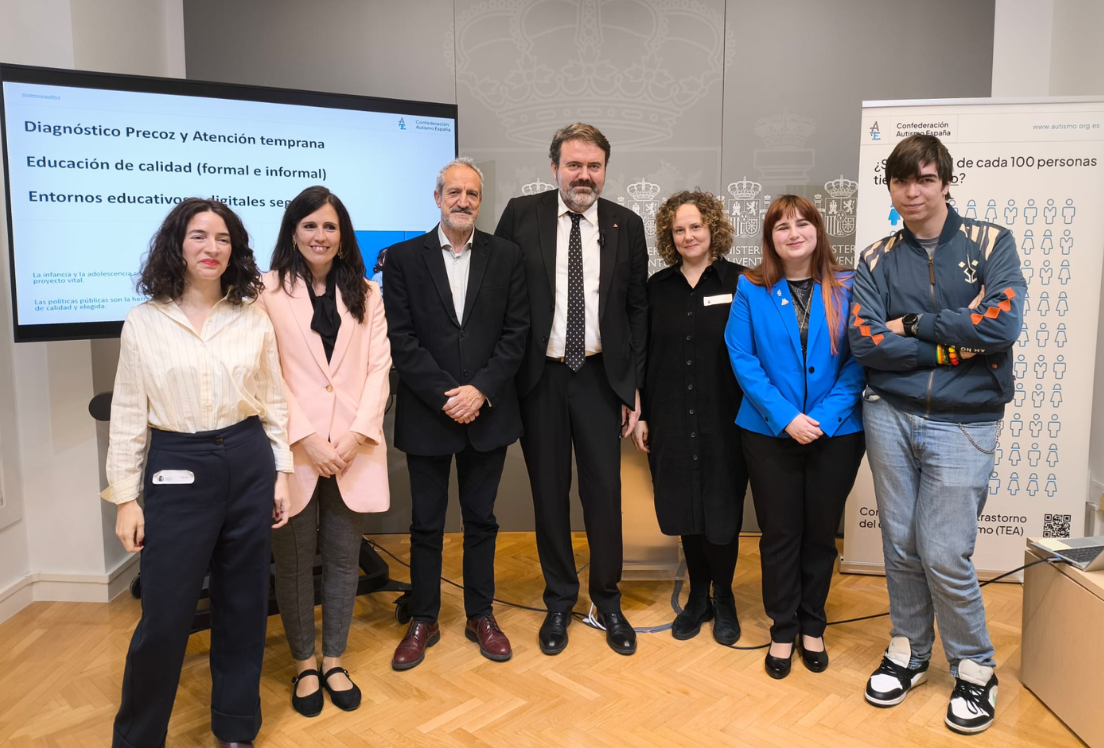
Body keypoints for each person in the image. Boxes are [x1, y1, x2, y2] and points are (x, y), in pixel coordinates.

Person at [849, 134, 1025, 734]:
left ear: (945, 181)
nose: (913, 191)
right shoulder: (876, 257)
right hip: (889, 414)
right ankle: (910, 651)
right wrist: (957, 345)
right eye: (902, 182)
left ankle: (976, 668)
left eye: (924, 179)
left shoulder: (992, 242)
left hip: (965, 420)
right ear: (891, 189)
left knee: (945, 552)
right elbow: (867, 342)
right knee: (899, 544)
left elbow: (1000, 324)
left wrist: (918, 326)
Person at [103, 199, 293, 748]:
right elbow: (128, 415)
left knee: (243, 605)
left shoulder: (252, 315)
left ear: (235, 251)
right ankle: (139, 737)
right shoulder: (144, 321)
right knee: (164, 617)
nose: (212, 248)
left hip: (247, 460)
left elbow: (273, 401)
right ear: (177, 245)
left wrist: (280, 472)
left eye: (224, 239)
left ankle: (236, 728)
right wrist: (127, 499)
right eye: (199, 237)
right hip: (175, 468)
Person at [494, 123, 648, 656]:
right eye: (574, 165)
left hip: (603, 380)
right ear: (554, 167)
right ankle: (559, 599)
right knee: (549, 495)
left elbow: (637, 312)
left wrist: (634, 391)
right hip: (541, 378)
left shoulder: (627, 225)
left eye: (594, 166)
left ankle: (607, 601)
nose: (585, 175)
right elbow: (497, 294)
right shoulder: (521, 214)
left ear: (606, 169)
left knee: (605, 496)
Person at [383, 157, 529, 669]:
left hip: (488, 414)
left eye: (472, 193)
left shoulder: (507, 256)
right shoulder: (401, 259)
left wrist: (480, 391)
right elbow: (400, 340)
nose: (463, 201)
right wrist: (451, 394)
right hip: (429, 413)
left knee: (481, 521)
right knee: (425, 523)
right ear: (437, 197)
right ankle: (423, 617)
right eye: (454, 192)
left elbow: (517, 335)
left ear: (479, 201)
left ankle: (479, 614)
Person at [259, 186, 391, 717]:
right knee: (292, 566)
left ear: (343, 236)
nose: (320, 235)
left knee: (341, 562)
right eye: (310, 225)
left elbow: (380, 368)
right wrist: (306, 436)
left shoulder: (367, 292)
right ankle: (303, 663)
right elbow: (265, 371)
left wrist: (357, 436)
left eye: (330, 227)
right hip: (295, 450)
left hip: (353, 451)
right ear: (293, 230)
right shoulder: (263, 291)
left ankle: (334, 658)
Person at [724, 195, 865, 680]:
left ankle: (813, 624)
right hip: (767, 432)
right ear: (770, 238)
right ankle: (783, 627)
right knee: (780, 534)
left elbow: (857, 360)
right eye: (781, 226)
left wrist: (821, 418)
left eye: (802, 223)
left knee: (820, 534)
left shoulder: (848, 285)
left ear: (818, 231)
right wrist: (787, 418)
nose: (793, 233)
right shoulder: (751, 287)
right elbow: (743, 359)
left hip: (836, 432)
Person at [631, 190, 749, 645]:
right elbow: (643, 355)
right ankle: (699, 596)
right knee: (686, 511)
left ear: (712, 228)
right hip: (670, 419)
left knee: (721, 512)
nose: (687, 236)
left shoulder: (743, 282)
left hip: (728, 419)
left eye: (695, 226)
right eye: (678, 229)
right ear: (669, 236)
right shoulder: (656, 289)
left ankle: (726, 597)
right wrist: (641, 415)